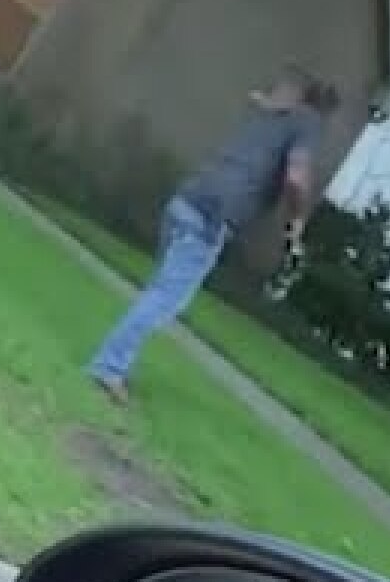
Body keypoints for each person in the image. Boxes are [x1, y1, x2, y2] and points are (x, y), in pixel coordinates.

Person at [87, 65, 340, 403]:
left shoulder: (269, 115)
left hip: (186, 200)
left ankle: (115, 361)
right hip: (208, 220)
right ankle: (109, 368)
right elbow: (296, 178)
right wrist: (297, 222)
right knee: (164, 299)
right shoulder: (307, 124)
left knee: (160, 292)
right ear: (323, 111)